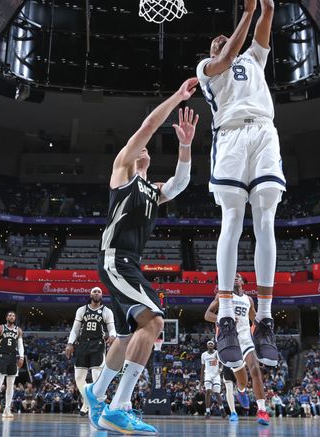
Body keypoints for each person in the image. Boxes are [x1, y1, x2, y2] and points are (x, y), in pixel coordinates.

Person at [84, 80, 199, 435]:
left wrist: (184, 147)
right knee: (153, 323)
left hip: (128, 263)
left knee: (123, 338)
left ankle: (97, 393)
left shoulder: (153, 190)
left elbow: (179, 184)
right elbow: (148, 126)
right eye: (140, 149)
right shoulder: (122, 173)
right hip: (116, 259)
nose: (144, 150)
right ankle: (119, 407)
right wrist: (178, 98)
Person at [196, 0, 283, 370]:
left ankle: (264, 318)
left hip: (264, 131)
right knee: (233, 219)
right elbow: (229, 52)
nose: (219, 43)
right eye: (215, 42)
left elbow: (269, 11)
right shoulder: (209, 70)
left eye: (222, 40)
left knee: (265, 216)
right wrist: (244, 11)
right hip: (229, 136)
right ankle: (227, 317)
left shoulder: (255, 59)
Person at [204, 273, 270, 425]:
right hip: (229, 341)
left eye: (238, 276)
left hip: (246, 340)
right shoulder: (223, 296)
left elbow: (255, 319)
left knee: (255, 369)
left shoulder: (249, 300)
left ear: (242, 281)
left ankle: (262, 410)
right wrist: (224, 319)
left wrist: (265, 329)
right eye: (232, 275)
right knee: (242, 382)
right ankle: (241, 392)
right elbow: (207, 315)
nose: (234, 276)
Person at [65, 286, 116, 416]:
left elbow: (111, 328)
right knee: (79, 378)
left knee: (96, 378)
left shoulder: (106, 311)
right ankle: (88, 402)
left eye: (99, 292)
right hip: (82, 344)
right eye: (94, 291)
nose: (97, 293)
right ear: (90, 294)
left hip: (98, 344)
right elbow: (75, 329)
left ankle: (92, 406)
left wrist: (112, 336)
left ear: (102, 295)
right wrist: (70, 343)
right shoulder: (82, 310)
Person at [0, 311, 25, 419]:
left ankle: (7, 409)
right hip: (2, 356)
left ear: (15, 318)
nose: (12, 317)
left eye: (13, 315)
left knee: (11, 385)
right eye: (10, 315)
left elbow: (20, 345)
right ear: (6, 317)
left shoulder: (18, 330)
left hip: (13, 357)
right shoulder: (0, 328)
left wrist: (22, 356)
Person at [200, 341, 222, 419]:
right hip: (208, 375)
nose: (210, 345)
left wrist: (220, 368)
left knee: (217, 393)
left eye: (211, 344)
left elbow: (222, 362)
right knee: (208, 391)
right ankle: (208, 411)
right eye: (209, 344)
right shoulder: (203, 355)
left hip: (216, 375)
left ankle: (222, 409)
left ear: (214, 346)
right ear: (207, 346)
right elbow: (202, 367)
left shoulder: (217, 353)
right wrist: (201, 380)